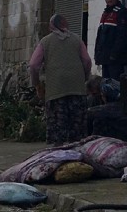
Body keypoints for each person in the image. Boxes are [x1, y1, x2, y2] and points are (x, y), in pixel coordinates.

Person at [29, 14, 92, 145]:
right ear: (65, 24)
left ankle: (58, 153)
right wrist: (84, 77)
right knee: (77, 132)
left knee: (58, 132)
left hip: (55, 91)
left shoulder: (45, 42)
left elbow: (34, 65)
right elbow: (87, 61)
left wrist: (37, 84)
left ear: (51, 26)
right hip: (77, 90)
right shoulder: (77, 40)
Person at [94, 0, 127, 81]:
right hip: (104, 59)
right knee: (106, 86)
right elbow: (100, 37)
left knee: (116, 86)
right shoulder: (105, 14)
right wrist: (97, 55)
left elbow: (122, 36)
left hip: (115, 60)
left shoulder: (122, 12)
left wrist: (114, 55)